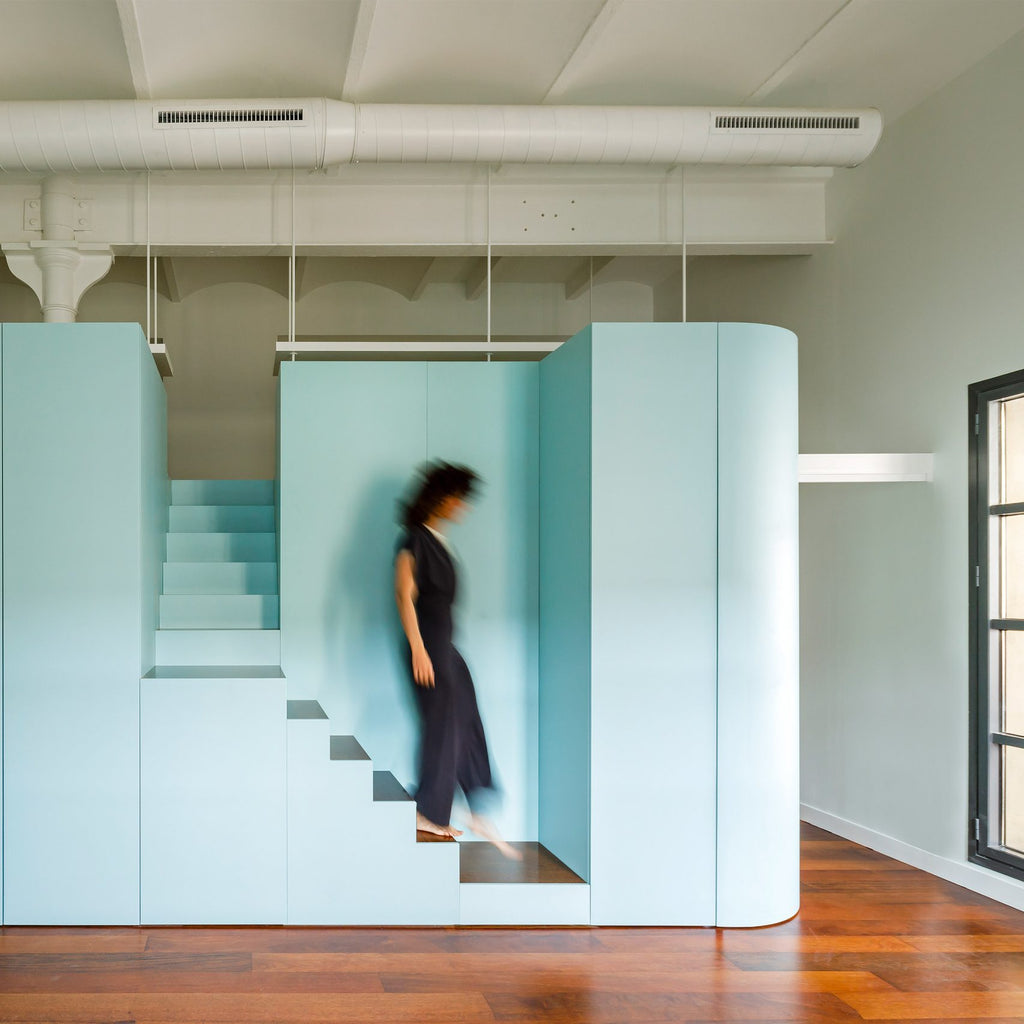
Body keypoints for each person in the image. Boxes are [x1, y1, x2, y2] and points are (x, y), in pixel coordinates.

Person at [394, 461, 520, 860]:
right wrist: (417, 647)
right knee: (442, 725)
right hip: (429, 646)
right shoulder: (413, 539)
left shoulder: (438, 539)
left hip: (446, 646)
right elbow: (404, 594)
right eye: (459, 499)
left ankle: (476, 804)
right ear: (442, 498)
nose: (462, 507)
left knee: (465, 717)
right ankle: (428, 810)